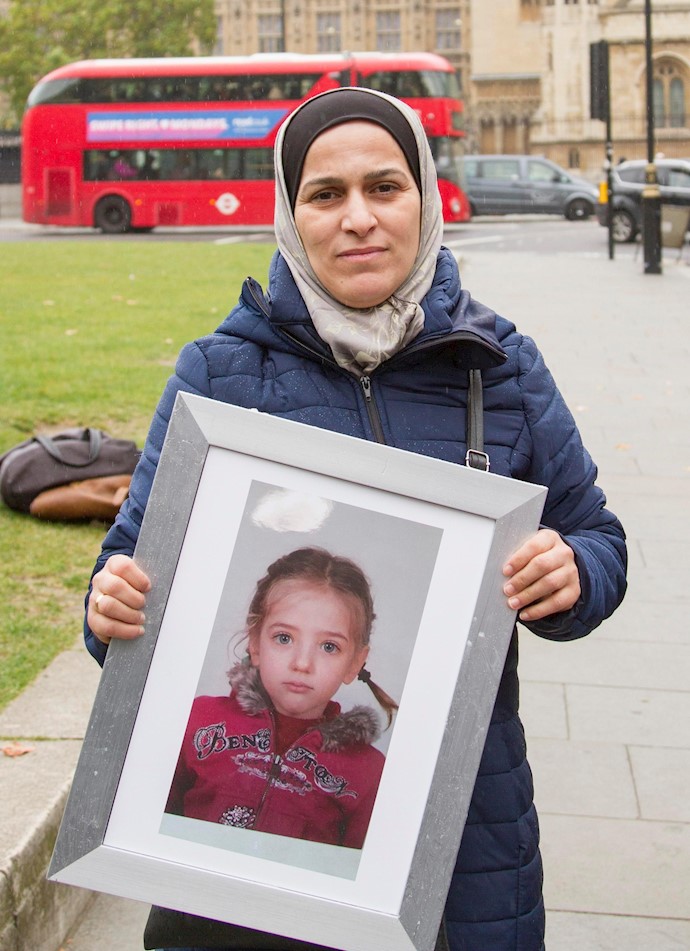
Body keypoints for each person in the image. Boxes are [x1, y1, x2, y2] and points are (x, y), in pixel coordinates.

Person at [85, 86, 627, 951]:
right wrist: (109, 603)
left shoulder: (503, 368)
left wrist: (573, 574)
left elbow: (598, 538)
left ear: (426, 197)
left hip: (462, 842)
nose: (359, 219)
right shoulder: (218, 376)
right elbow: (127, 571)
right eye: (326, 195)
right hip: (243, 867)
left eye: (385, 187)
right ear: (292, 216)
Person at [165, 546, 396, 849]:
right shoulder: (196, 721)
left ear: (355, 662)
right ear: (256, 643)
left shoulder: (369, 775)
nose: (302, 663)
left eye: (329, 646)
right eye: (284, 638)